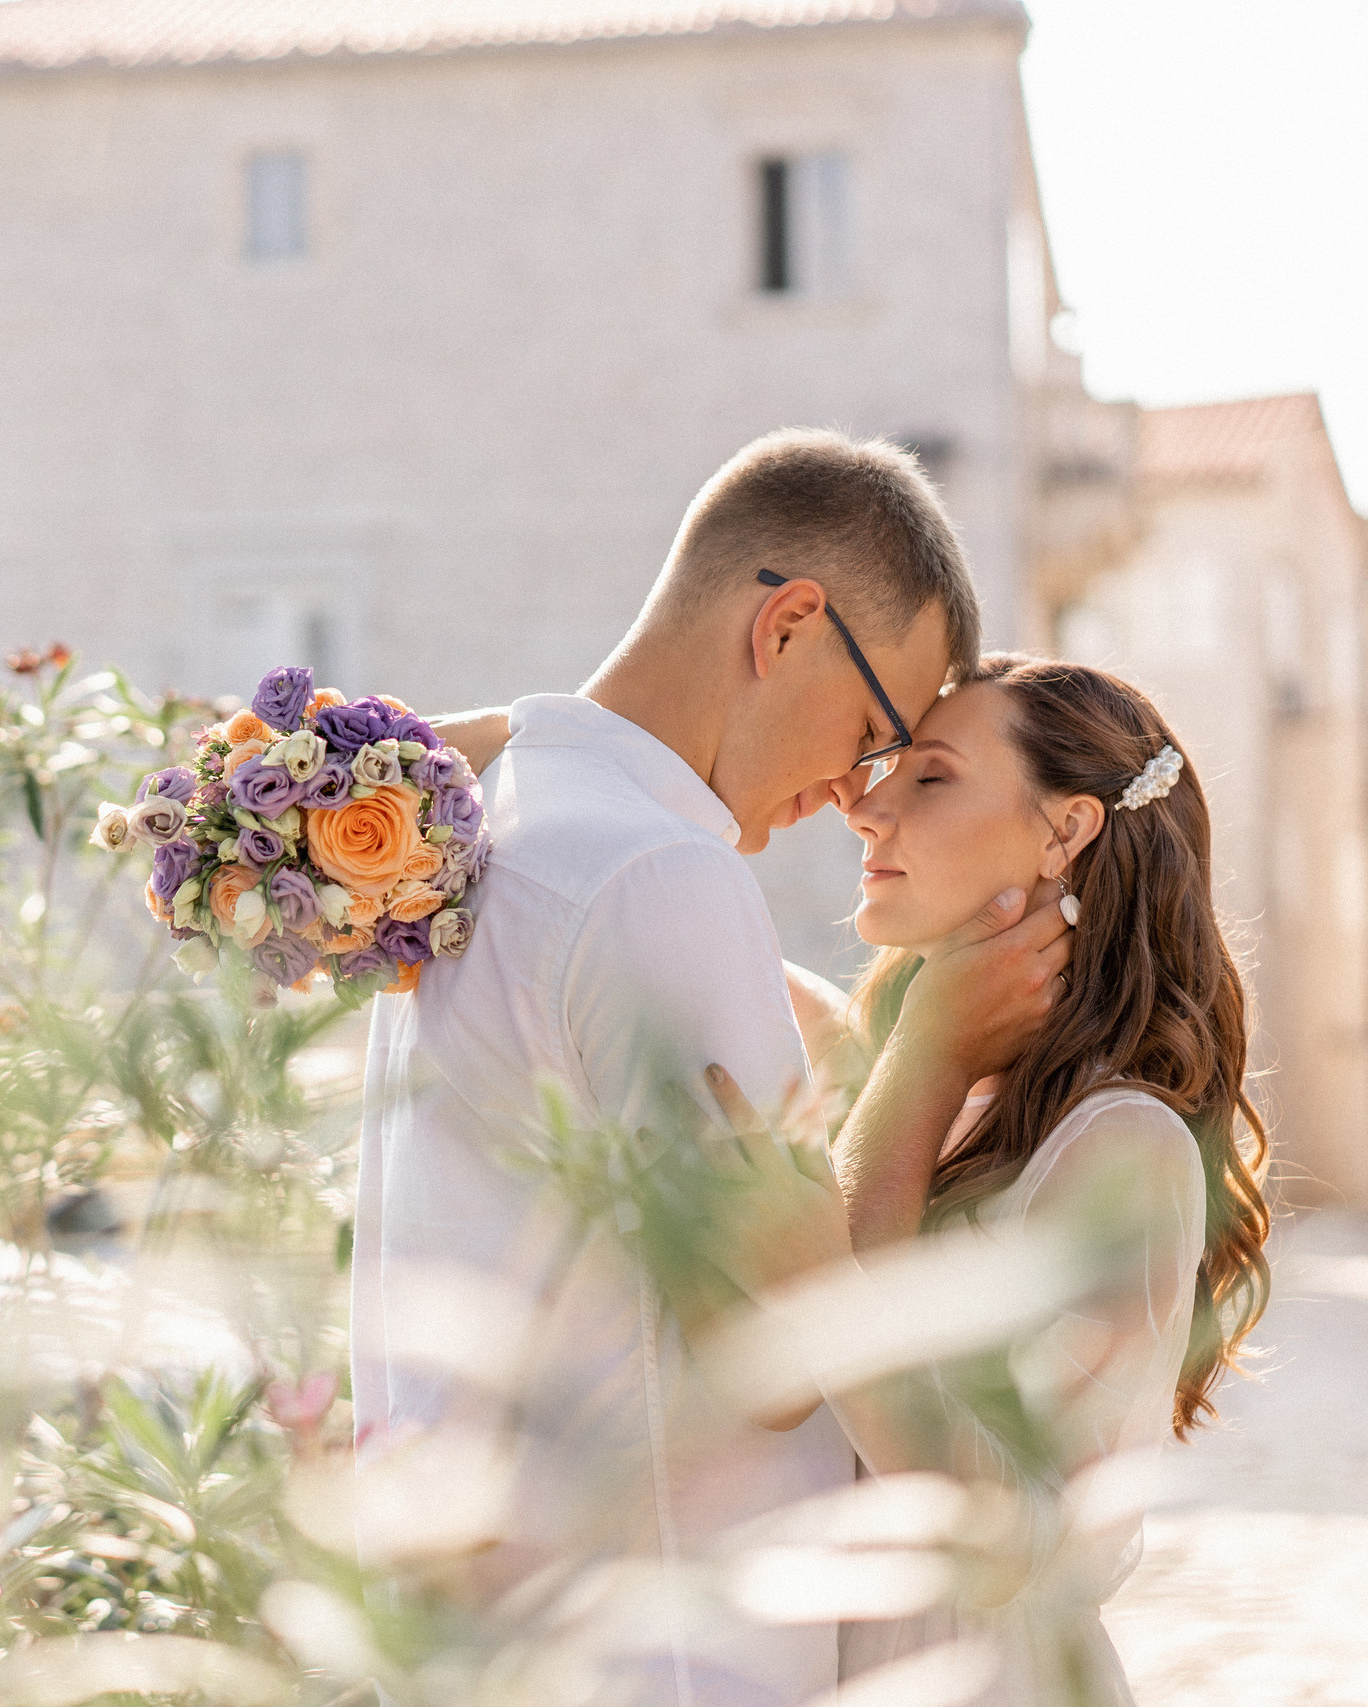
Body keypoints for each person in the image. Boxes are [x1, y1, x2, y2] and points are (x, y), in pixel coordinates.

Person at [359, 429, 1071, 1705]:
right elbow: (774, 1355)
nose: (856, 794)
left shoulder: (478, 825)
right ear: (787, 626)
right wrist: (925, 1066)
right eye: (871, 729)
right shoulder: (659, 871)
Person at [710, 653, 1274, 1704]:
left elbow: (1025, 1537)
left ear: (1063, 832)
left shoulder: (1124, 1146)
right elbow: (669, 932)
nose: (868, 810)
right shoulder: (901, 1079)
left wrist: (819, 1284)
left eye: (930, 776)